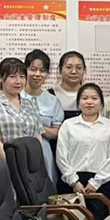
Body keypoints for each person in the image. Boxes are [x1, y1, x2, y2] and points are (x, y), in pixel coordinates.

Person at [56, 83, 110, 220]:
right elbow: (61, 156)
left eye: (94, 98)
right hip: (72, 182)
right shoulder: (68, 125)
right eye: (84, 98)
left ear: (101, 103)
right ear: (78, 102)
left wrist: (95, 183)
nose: (89, 102)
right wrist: (74, 182)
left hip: (100, 184)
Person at [0, 58, 43, 159]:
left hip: (30, 162)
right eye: (12, 76)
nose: (18, 81)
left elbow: (37, 137)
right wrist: (9, 160)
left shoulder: (31, 104)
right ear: (1, 78)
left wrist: (36, 159)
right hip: (5, 160)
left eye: (22, 77)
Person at [22, 49, 65, 184]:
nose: (37, 74)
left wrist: (34, 125)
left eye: (42, 70)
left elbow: (55, 133)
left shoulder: (53, 101)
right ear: (25, 70)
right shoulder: (15, 97)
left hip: (44, 153)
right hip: (19, 151)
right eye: (33, 69)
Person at [50, 51, 86, 120]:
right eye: (69, 67)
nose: (74, 71)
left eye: (79, 68)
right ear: (60, 69)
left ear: (84, 70)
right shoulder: (50, 95)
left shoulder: (90, 95)